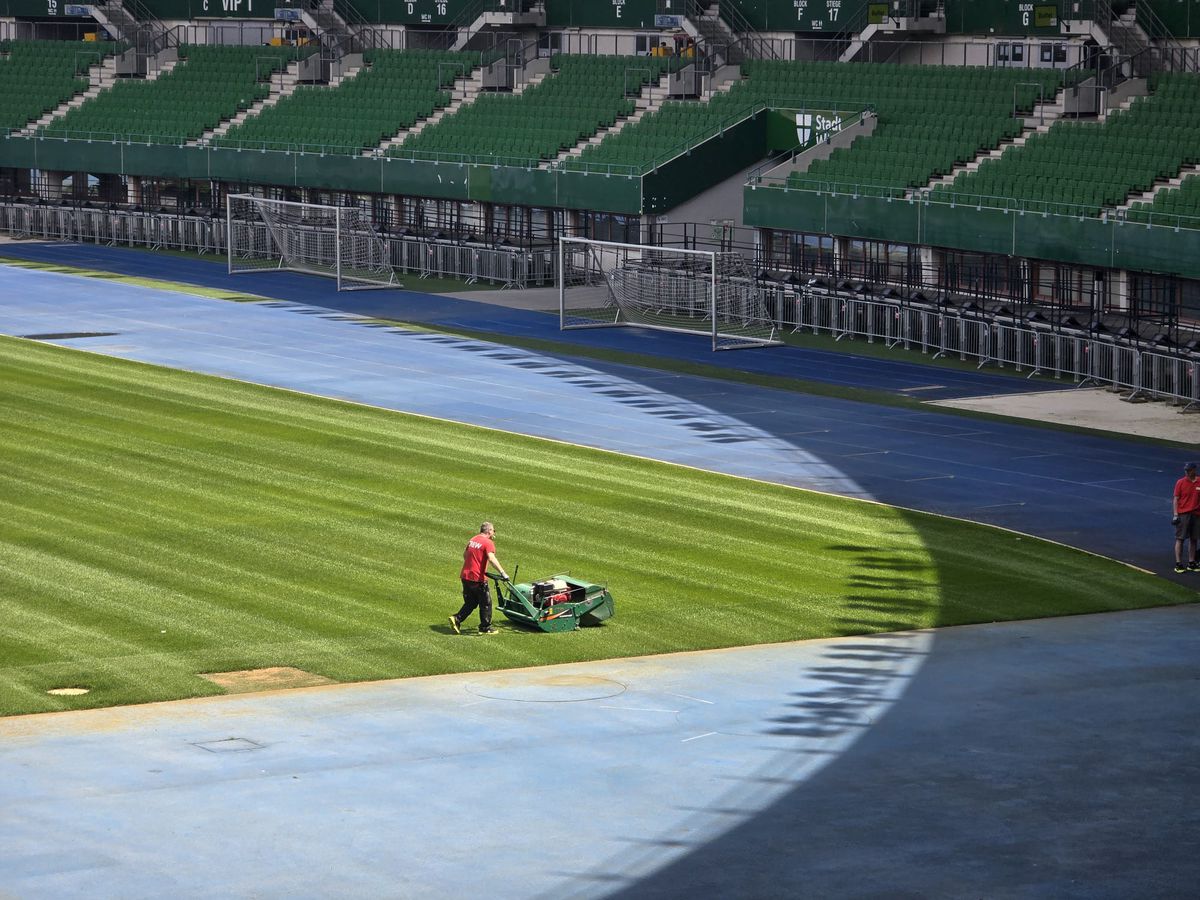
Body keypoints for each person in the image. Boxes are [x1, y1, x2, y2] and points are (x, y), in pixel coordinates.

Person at [449, 522, 508, 634]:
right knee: (486, 603)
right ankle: (485, 627)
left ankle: (456, 619)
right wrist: (502, 572)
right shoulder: (488, 542)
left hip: (465, 576)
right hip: (477, 578)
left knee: (471, 602)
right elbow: (491, 558)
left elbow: (465, 555)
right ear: (489, 531)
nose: (493, 533)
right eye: (493, 530)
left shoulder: (473, 539)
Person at [1172, 462, 1200, 573]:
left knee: (1194, 539)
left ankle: (1191, 562)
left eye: (1189, 470)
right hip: (1184, 514)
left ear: (1194, 470)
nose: (1187, 472)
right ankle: (1178, 563)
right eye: (1186, 470)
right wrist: (1175, 514)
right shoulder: (1180, 482)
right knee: (1180, 538)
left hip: (1197, 514)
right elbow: (1176, 499)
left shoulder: (1199, 481)